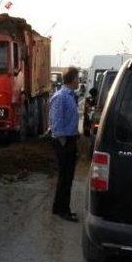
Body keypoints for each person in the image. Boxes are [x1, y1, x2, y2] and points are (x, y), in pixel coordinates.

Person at [49, 66, 80, 222]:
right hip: (64, 141)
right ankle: (64, 210)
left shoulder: (70, 95)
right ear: (73, 79)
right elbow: (56, 122)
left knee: (66, 177)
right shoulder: (61, 96)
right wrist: (64, 141)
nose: (79, 80)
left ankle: (57, 207)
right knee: (66, 177)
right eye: (78, 77)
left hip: (70, 139)